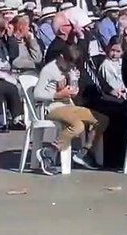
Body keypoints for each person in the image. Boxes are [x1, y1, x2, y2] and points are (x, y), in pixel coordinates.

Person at [33, 43, 108, 172]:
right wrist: (57, 95)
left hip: (69, 105)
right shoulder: (49, 70)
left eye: (73, 65)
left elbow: (73, 91)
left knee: (101, 119)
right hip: (52, 107)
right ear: (61, 57)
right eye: (69, 64)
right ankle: (50, 152)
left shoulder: (70, 70)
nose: (70, 67)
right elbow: (37, 94)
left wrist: (74, 86)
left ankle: (84, 152)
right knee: (77, 125)